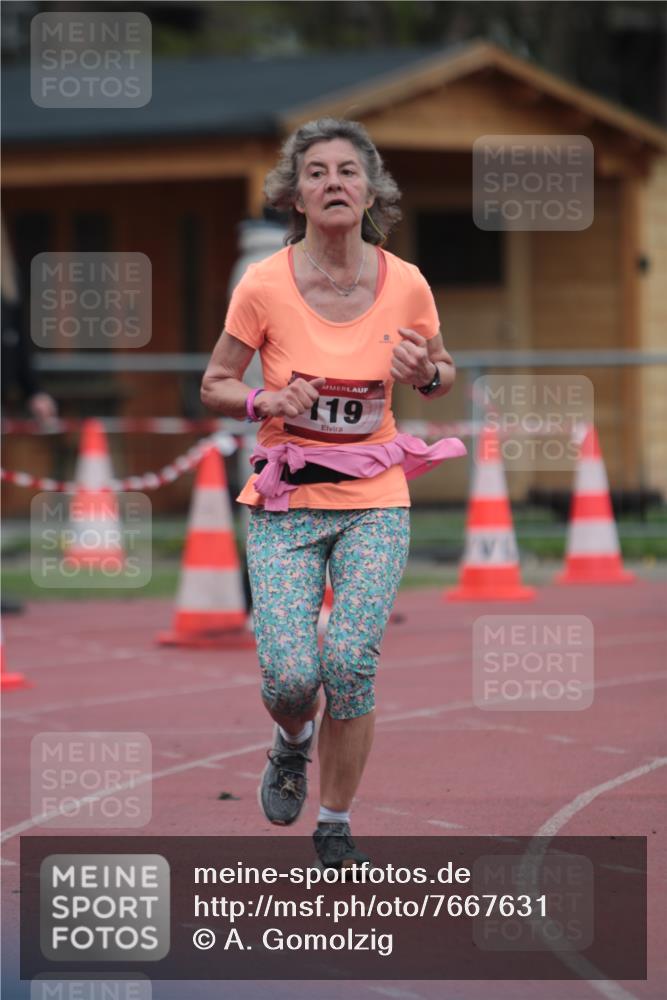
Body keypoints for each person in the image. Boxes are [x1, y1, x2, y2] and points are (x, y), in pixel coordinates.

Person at [201, 117, 464, 869]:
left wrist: (426, 375)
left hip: (375, 498)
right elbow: (215, 382)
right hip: (287, 503)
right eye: (315, 172)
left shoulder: (405, 281)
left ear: (371, 189)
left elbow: (440, 369)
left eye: (347, 171)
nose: (333, 184)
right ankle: (290, 743)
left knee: (348, 660)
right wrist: (264, 404)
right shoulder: (263, 285)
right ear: (295, 195)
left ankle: (336, 820)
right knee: (290, 676)